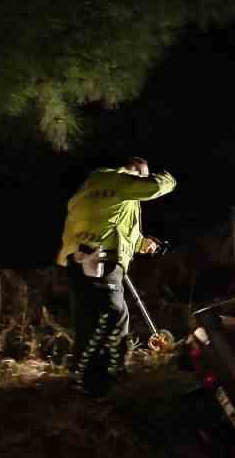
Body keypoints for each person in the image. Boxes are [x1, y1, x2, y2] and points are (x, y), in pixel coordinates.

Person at [56, 157, 177, 396]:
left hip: (79, 259)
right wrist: (170, 178)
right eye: (140, 180)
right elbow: (155, 187)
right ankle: (95, 379)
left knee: (94, 320)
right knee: (111, 314)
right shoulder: (118, 180)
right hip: (97, 259)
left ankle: (95, 375)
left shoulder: (97, 188)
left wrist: (145, 244)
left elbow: (116, 229)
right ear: (136, 175)